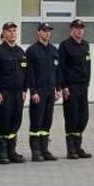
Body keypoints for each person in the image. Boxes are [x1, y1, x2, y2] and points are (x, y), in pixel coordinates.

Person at [0, 22, 29, 165]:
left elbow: (25, 72)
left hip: (18, 93)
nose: (12, 33)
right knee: (3, 121)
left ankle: (12, 150)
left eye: (14, 31)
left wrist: (25, 90)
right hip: (4, 93)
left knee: (15, 121)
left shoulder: (20, 52)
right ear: (4, 33)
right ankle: (1, 151)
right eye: (9, 31)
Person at [58, 19, 94, 159]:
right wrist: (64, 86)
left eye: (81, 28)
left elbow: (88, 66)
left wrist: (87, 83)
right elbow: (61, 67)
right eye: (76, 28)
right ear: (71, 30)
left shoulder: (85, 45)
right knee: (71, 117)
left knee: (83, 117)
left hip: (82, 86)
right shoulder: (65, 45)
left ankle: (78, 146)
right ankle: (71, 149)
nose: (79, 31)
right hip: (71, 86)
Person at [24, 22, 61, 162]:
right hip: (38, 91)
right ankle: (36, 150)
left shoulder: (53, 50)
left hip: (50, 91)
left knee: (47, 121)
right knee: (36, 122)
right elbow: (30, 73)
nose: (47, 33)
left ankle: (44, 149)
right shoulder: (32, 51)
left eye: (49, 31)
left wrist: (58, 89)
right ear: (38, 32)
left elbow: (57, 71)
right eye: (44, 31)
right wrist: (33, 91)